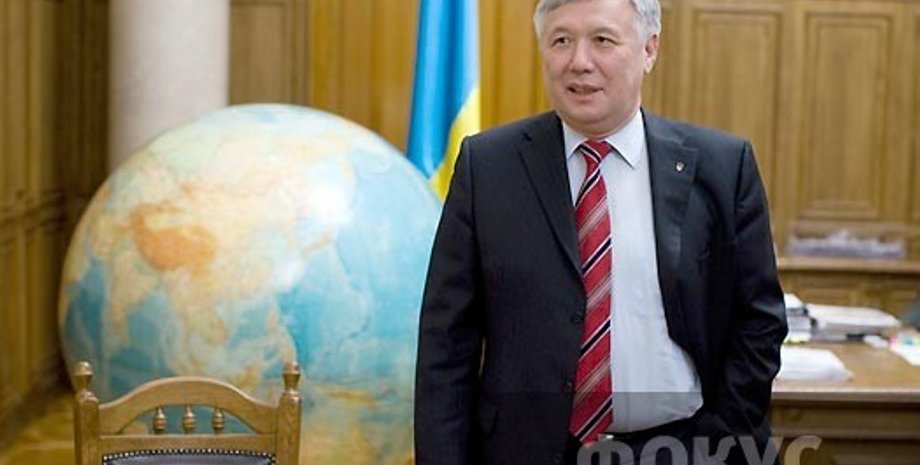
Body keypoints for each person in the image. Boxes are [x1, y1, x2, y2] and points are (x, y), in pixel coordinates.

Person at [414, 0, 788, 464]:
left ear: (649, 49)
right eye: (561, 40)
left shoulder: (722, 167)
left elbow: (759, 322)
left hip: (681, 448)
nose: (579, 61)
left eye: (602, 40)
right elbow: (446, 342)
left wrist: (720, 438)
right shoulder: (488, 167)